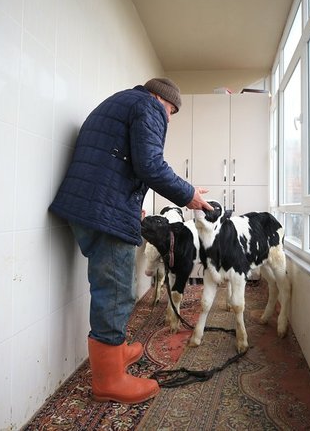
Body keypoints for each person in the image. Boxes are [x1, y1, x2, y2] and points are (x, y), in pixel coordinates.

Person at [49, 77, 213, 404]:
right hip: (102, 214)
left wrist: (131, 206)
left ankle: (116, 350)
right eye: (170, 110)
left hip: (89, 205)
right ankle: (108, 380)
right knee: (116, 291)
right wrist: (188, 194)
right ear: (158, 98)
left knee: (112, 286)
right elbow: (149, 165)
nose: (168, 118)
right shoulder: (148, 107)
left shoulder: (121, 102)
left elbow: (114, 163)